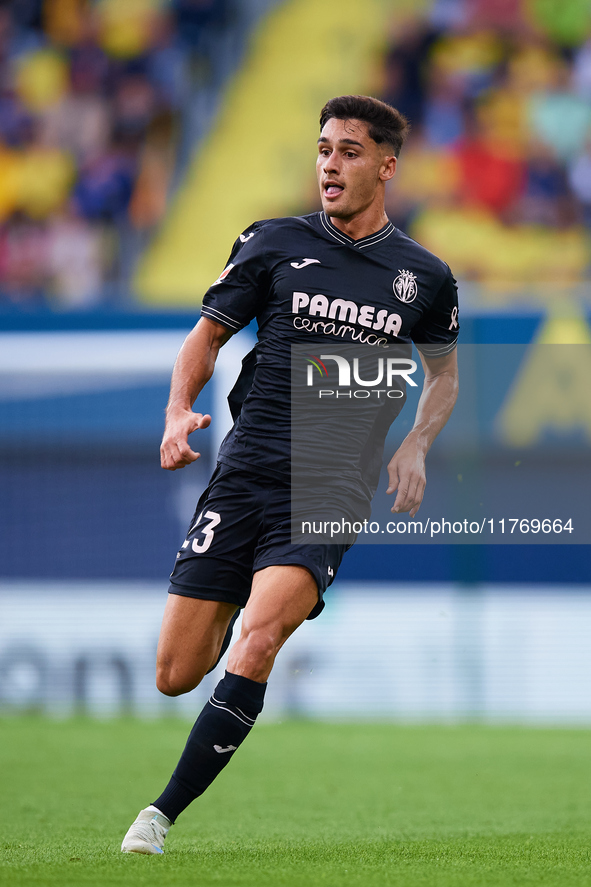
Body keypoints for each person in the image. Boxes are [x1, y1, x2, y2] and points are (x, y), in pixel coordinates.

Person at [121, 94, 459, 854]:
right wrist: (177, 412)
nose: (329, 164)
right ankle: (248, 584)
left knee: (261, 636)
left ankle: (158, 814)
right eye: (322, 149)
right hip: (245, 471)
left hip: (330, 487)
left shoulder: (424, 276)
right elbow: (205, 338)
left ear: (385, 165)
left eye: (346, 150)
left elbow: (443, 377)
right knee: (175, 673)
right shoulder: (272, 240)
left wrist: (415, 444)